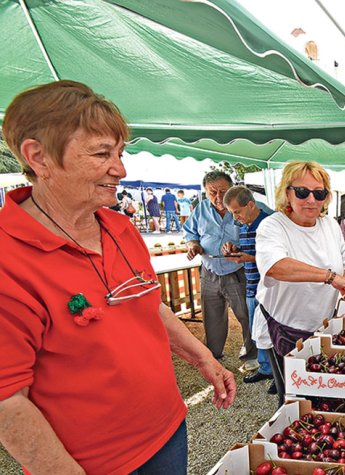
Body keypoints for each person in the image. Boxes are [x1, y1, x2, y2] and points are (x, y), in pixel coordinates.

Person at [0, 80, 236, 475]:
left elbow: (147, 303)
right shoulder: (8, 259)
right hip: (93, 463)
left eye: (120, 153)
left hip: (167, 431)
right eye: (101, 153)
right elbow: (7, 399)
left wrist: (204, 359)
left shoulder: (118, 227)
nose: (121, 169)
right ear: (37, 156)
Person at [254, 161, 345, 385]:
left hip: (324, 326)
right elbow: (276, 266)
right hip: (287, 327)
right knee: (295, 396)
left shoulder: (330, 225)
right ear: (286, 193)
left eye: (319, 193)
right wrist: (330, 277)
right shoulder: (273, 226)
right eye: (302, 192)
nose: (311, 200)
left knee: (322, 390)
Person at [183, 171, 257, 365]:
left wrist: (239, 248)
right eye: (211, 192)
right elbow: (190, 232)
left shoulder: (244, 206)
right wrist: (193, 245)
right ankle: (212, 355)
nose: (217, 197)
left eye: (222, 191)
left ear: (231, 189)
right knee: (212, 316)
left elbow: (256, 233)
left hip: (237, 271)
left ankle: (251, 355)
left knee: (246, 314)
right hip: (209, 271)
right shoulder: (201, 209)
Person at [221, 185, 275, 392]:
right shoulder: (245, 225)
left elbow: (276, 259)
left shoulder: (268, 224)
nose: (235, 218)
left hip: (268, 288)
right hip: (251, 285)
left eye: (237, 212)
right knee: (257, 331)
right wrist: (235, 250)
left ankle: (277, 373)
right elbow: (252, 252)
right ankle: (265, 368)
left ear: (250, 205)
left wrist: (249, 258)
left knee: (270, 331)